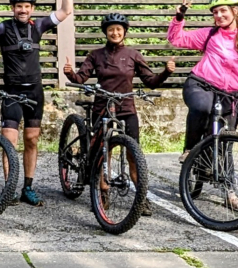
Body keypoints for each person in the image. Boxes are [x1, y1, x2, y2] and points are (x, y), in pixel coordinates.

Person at [0, 0, 74, 206]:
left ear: (32, 8)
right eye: (19, 6)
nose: (22, 10)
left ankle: (27, 188)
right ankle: (9, 190)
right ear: (13, 8)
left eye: (27, 6)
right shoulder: (1, 28)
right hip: (11, 93)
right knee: (9, 141)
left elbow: (65, 11)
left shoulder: (39, 26)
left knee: (32, 140)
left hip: (35, 92)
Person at [62, 12, 175, 215]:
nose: (115, 33)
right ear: (105, 32)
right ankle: (102, 192)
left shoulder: (133, 54)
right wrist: (69, 72)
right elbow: (80, 78)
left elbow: (150, 81)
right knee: (103, 153)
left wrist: (166, 72)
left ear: (125, 32)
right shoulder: (95, 55)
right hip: (102, 108)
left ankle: (141, 198)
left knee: (134, 154)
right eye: (111, 29)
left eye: (119, 29)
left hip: (126, 109)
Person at [166, 0, 238, 211]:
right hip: (201, 84)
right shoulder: (210, 34)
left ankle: (230, 192)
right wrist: (179, 17)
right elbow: (176, 39)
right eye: (215, 12)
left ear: (235, 12)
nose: (219, 15)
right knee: (201, 107)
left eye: (223, 11)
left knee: (225, 142)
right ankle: (190, 148)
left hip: (232, 95)